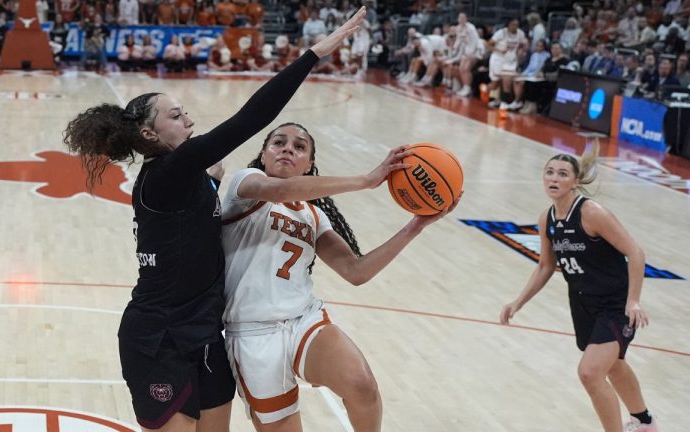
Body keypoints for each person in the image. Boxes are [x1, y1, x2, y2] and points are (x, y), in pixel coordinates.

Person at [61, 8, 367, 432]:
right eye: (175, 116)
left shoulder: (192, 176)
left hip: (206, 333)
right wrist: (312, 54)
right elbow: (251, 119)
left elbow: (209, 180)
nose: (188, 119)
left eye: (185, 112)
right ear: (150, 136)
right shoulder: (167, 174)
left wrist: (213, 177)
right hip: (158, 336)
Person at [220, 123, 459, 432]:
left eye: (299, 147)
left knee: (362, 386)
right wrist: (367, 180)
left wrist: (417, 225)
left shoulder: (314, 216)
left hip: (302, 319)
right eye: (278, 142)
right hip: (253, 333)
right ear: (263, 156)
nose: (288, 148)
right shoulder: (245, 186)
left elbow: (356, 271)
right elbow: (279, 190)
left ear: (309, 166)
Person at [499, 143, 659, 432]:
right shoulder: (547, 218)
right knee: (613, 364)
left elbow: (636, 253)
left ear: (575, 181)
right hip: (583, 303)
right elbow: (546, 266)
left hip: (615, 304)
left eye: (562, 174)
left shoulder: (591, 213)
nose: (554, 178)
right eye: (549, 172)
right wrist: (517, 302)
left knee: (589, 373)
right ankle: (645, 423)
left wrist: (633, 301)